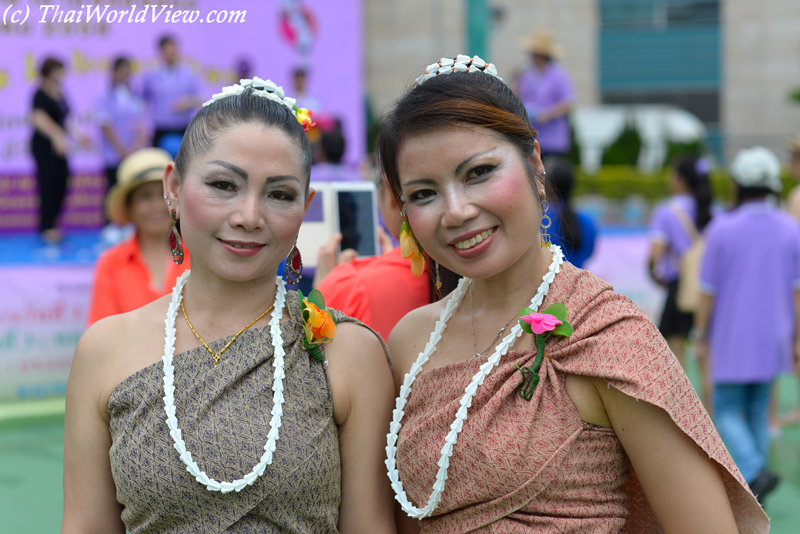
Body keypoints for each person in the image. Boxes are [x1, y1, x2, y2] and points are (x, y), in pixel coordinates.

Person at [378, 55, 766, 532]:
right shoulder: (410, 343)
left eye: (478, 172)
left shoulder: (610, 336)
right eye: (423, 194)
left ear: (535, 163)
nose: (455, 212)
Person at [62, 78, 395, 532]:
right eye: (223, 184)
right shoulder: (104, 351)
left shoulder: (350, 353)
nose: (249, 216)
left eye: (279, 194)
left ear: (306, 206)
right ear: (173, 188)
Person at [694, 147, 800, 506]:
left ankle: (753, 471)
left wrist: (700, 334)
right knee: (757, 409)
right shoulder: (791, 228)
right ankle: (758, 490)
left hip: (731, 334)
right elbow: (797, 292)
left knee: (725, 408)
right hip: (775, 334)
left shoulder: (722, 228)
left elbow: (707, 291)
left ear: (737, 183)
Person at [314, 176, 430, 341]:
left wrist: (327, 289)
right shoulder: (460, 269)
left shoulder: (349, 285)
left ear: (392, 193)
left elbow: (314, 352)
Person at [87, 148, 189, 325]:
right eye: (145, 196)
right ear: (129, 207)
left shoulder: (199, 256)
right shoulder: (111, 264)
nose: (157, 205)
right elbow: (102, 336)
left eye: (164, 194)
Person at [647, 153, 713, 380]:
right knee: (707, 359)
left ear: (681, 179)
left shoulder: (667, 211)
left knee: (676, 359)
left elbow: (655, 255)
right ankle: (712, 414)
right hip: (710, 289)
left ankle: (683, 415)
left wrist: (655, 276)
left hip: (679, 287)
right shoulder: (715, 210)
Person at [517, 31, 574, 162]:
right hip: (530, 137)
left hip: (552, 140)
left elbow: (568, 102)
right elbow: (519, 97)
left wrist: (547, 115)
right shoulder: (526, 74)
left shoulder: (559, 75)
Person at [30, 57, 70, 244]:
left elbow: (66, 119)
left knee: (62, 181)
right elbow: (39, 119)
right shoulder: (39, 94)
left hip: (60, 146)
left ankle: (54, 223)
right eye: (58, 70)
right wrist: (56, 136)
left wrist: (79, 136)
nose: (61, 74)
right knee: (48, 184)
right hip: (44, 146)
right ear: (49, 71)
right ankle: (46, 227)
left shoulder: (60, 93)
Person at [96, 57, 148, 197]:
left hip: (133, 152)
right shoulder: (105, 96)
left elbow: (140, 123)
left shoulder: (134, 96)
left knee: (131, 192)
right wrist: (121, 149)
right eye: (121, 71)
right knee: (114, 191)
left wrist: (136, 145)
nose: (125, 74)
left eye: (127, 71)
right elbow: (105, 124)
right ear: (114, 72)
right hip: (114, 154)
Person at [142, 35, 202, 149]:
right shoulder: (151, 75)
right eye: (169, 50)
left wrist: (188, 102)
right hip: (161, 128)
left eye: (174, 50)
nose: (172, 53)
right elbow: (142, 100)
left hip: (183, 128)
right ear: (161, 51)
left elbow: (201, 97)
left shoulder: (188, 74)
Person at [545, 162, 596, 268]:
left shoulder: (541, 220)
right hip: (580, 283)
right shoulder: (587, 220)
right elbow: (589, 254)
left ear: (547, 186)